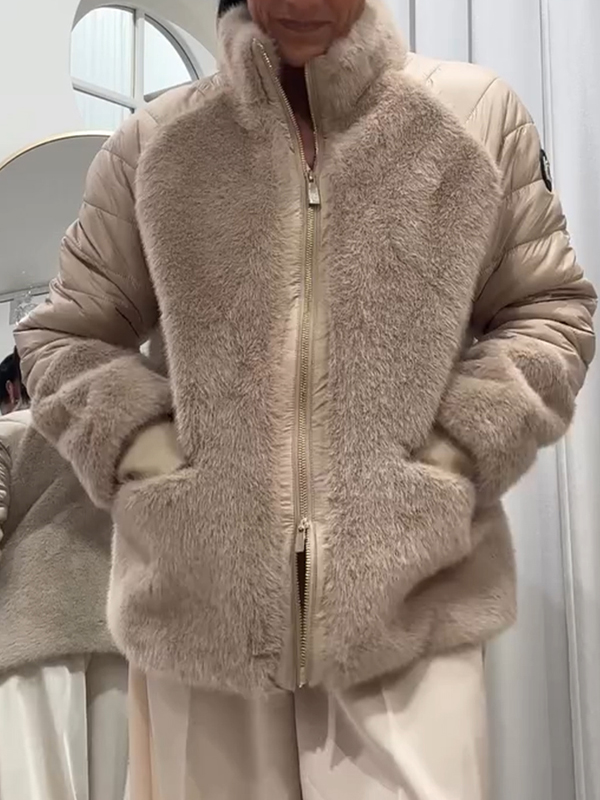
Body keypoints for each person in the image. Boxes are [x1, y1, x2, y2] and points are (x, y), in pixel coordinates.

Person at [15, 0, 596, 797]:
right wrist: (153, 459)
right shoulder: (156, 141)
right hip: (200, 619)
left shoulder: (471, 113)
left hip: (409, 610)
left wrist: (454, 449)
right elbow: (65, 336)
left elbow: (551, 310)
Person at [0, 350, 129, 800]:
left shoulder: (8, 432)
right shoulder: (126, 436)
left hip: (30, 640)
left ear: (13, 388)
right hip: (117, 640)